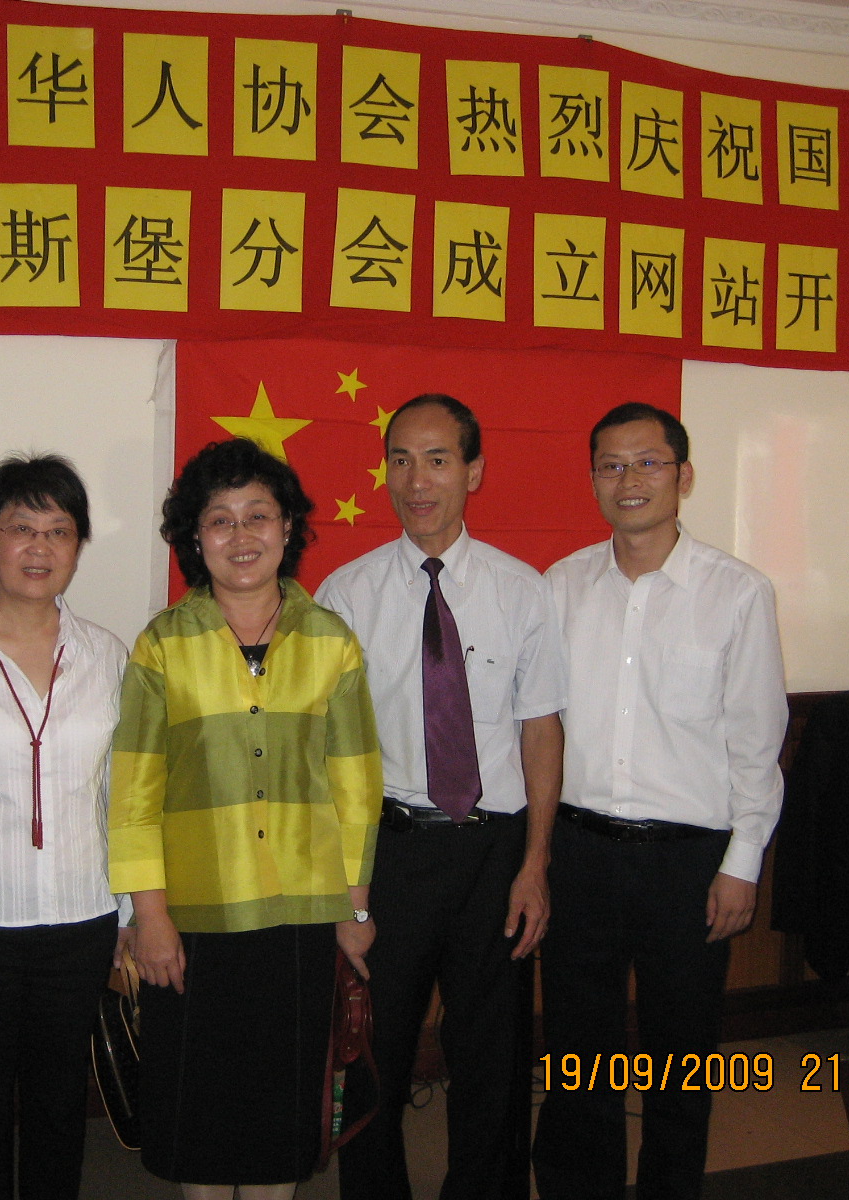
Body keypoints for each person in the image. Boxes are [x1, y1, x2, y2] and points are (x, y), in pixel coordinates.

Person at [110, 437, 383, 1200]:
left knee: (280, 1116)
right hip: (192, 918)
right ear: (194, 537)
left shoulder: (332, 643)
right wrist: (149, 916)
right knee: (200, 1115)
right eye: (220, 519)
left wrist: (356, 908)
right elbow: (134, 793)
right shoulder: (163, 645)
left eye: (258, 515)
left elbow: (356, 787)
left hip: (302, 915)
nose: (241, 535)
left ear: (288, 527)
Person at [316, 393, 566, 1200]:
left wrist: (535, 864)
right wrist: (346, 890)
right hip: (390, 851)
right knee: (374, 1051)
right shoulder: (346, 595)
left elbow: (540, 731)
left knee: (493, 1053)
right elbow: (326, 753)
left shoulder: (522, 592)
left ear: (474, 471)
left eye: (437, 459)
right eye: (400, 460)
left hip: (495, 851)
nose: (416, 481)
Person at [533, 402, 786, 1200]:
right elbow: (537, 727)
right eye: (611, 465)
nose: (629, 480)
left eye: (647, 462)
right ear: (593, 480)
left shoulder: (738, 593)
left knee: (682, 1055)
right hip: (578, 851)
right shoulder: (561, 586)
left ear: (684, 475)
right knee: (578, 1053)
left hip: (689, 863)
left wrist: (743, 862)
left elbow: (757, 741)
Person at [0, 453, 130, 1200]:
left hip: (80, 918)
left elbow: (120, 796)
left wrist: (128, 914)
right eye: (19, 529)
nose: (39, 548)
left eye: (59, 531)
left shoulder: (108, 656)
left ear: (78, 545)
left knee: (60, 1107)